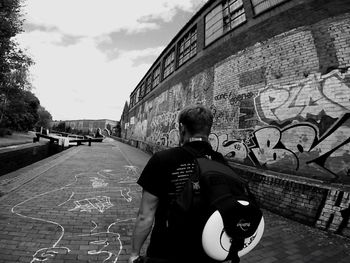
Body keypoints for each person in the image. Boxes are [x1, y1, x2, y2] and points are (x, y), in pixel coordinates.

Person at [128, 104, 226, 263]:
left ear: (181, 128)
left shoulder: (162, 159)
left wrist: (134, 254)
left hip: (166, 250)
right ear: (209, 130)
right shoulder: (220, 161)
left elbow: (145, 215)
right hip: (210, 251)